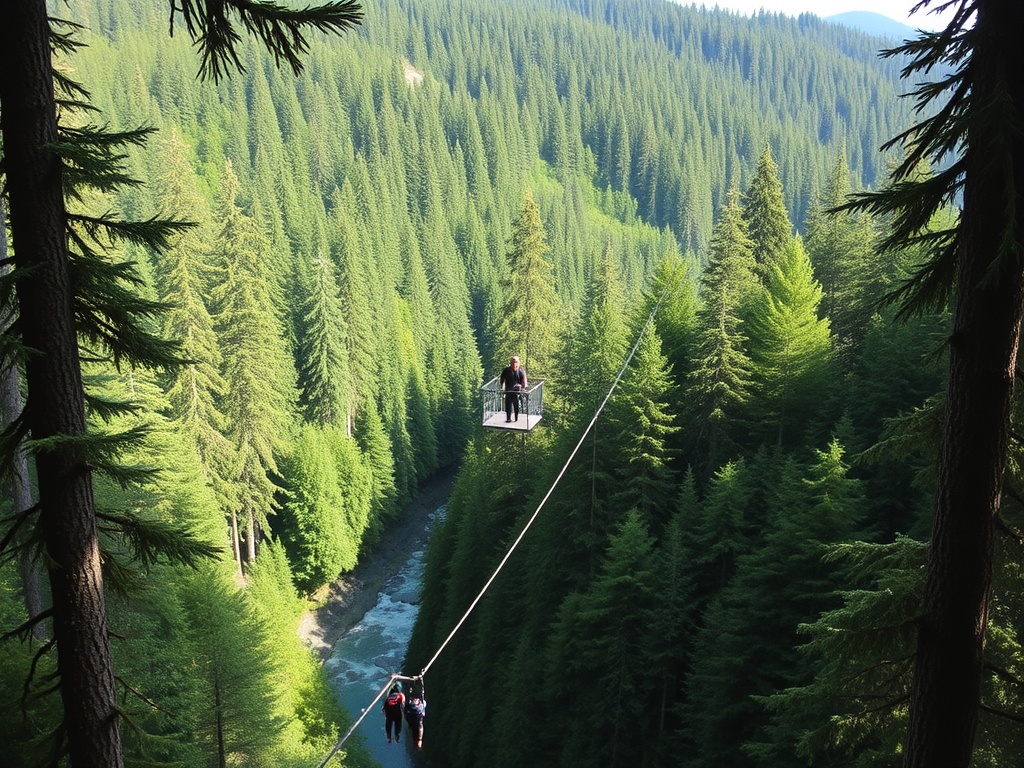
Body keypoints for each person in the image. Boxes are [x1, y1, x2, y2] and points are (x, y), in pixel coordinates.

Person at [499, 356, 527, 423]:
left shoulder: (520, 371)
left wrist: (523, 388)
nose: (515, 364)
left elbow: (524, 381)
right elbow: (502, 379)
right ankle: (508, 418)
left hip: (517, 392)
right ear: (511, 363)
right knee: (508, 405)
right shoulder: (506, 370)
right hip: (508, 391)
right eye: (513, 362)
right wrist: (502, 388)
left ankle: (516, 418)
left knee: (516, 405)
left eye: (516, 362)